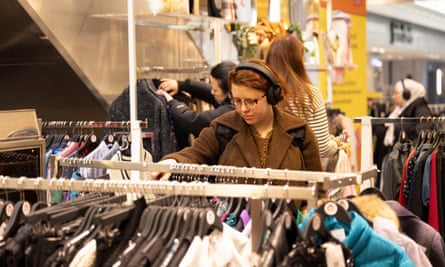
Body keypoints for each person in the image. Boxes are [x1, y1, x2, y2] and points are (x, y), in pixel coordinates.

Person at [152, 59, 322, 183]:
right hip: (235, 227)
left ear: (271, 96)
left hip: (289, 226)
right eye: (237, 101)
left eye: (251, 101)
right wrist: (172, 162)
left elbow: (317, 185)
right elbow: (196, 153)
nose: (243, 109)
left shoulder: (299, 132)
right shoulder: (223, 128)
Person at [265, 33, 338, 164]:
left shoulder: (262, 93)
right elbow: (321, 147)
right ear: (298, 60)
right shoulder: (309, 94)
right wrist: (337, 144)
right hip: (297, 173)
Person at [156, 61, 236, 138]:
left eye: (215, 90)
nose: (212, 92)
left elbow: (192, 121)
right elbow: (206, 90)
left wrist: (171, 101)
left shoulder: (229, 111)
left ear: (229, 93)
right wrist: (180, 85)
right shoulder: (232, 98)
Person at [383, 78, 432, 147]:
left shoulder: (422, 110)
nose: (394, 97)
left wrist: (397, 127)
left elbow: (422, 134)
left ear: (406, 95)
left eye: (396, 93)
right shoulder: (399, 111)